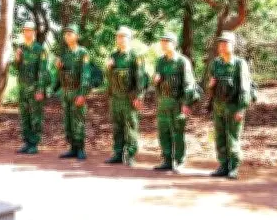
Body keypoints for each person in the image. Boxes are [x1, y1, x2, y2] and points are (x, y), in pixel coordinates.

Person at [206, 31, 252, 180]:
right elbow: (210, 87)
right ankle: (223, 166)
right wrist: (210, 85)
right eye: (221, 43)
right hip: (218, 106)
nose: (222, 46)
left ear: (233, 45)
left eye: (226, 43)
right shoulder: (215, 64)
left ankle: (233, 167)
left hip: (233, 107)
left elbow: (245, 88)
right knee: (220, 138)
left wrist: (241, 108)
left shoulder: (239, 64)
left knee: (232, 138)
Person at [153, 32, 198, 172]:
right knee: (163, 132)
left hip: (177, 103)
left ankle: (179, 161)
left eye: (166, 41)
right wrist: (155, 80)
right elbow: (156, 82)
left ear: (174, 44)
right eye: (162, 41)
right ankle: (167, 160)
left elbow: (189, 84)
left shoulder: (182, 61)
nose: (163, 44)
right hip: (163, 103)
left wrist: (187, 103)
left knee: (177, 133)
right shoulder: (160, 61)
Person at [105, 26, 146, 167]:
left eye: (123, 36)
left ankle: (130, 155)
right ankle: (117, 154)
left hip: (129, 98)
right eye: (118, 36)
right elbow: (109, 78)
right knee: (117, 126)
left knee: (130, 126)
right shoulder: (113, 56)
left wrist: (139, 97)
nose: (120, 39)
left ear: (129, 39)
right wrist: (108, 68)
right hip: (115, 97)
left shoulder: (135, 57)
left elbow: (140, 78)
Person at [55, 24, 92, 160]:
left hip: (77, 91)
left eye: (70, 34)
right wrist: (59, 67)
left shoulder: (82, 53)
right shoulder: (64, 55)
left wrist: (82, 94)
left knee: (78, 120)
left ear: (77, 36)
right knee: (68, 121)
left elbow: (85, 74)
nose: (67, 36)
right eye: (65, 34)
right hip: (66, 92)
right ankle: (72, 148)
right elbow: (61, 75)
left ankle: (80, 148)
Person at [13, 22, 50, 155]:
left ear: (34, 32)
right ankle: (27, 142)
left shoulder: (40, 49)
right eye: (25, 30)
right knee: (24, 116)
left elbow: (42, 71)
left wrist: (40, 89)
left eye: (29, 30)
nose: (27, 32)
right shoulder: (21, 48)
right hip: (23, 88)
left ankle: (34, 143)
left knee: (35, 116)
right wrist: (17, 59)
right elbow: (16, 68)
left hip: (35, 88)